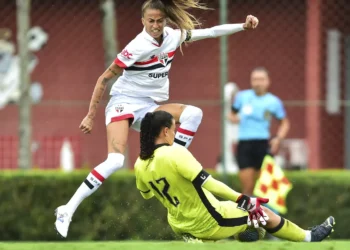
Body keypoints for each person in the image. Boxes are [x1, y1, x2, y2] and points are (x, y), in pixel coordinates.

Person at [54, 0, 260, 237]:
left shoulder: (173, 36)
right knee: (115, 161)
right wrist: (91, 115)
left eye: (159, 20)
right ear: (142, 21)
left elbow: (211, 32)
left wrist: (242, 26)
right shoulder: (137, 46)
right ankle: (67, 209)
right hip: (123, 103)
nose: (155, 25)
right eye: (150, 21)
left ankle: (173, 162)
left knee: (194, 113)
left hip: (148, 107)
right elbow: (103, 79)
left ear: (165, 20)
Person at [134, 110, 334, 242]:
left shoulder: (139, 163)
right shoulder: (176, 152)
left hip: (178, 224)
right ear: (166, 131)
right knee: (262, 213)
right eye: (175, 129)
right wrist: (244, 200)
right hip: (209, 220)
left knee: (237, 220)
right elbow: (209, 184)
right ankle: (309, 237)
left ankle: (241, 232)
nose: (176, 133)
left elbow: (147, 195)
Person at [228, 67, 290, 196]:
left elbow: (285, 123)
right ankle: (247, 215)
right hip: (245, 144)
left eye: (261, 79)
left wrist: (278, 139)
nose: (257, 82)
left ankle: (264, 215)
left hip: (263, 144)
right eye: (255, 79)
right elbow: (231, 114)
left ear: (268, 81)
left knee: (264, 187)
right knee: (247, 187)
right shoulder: (242, 97)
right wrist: (234, 119)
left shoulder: (273, 101)